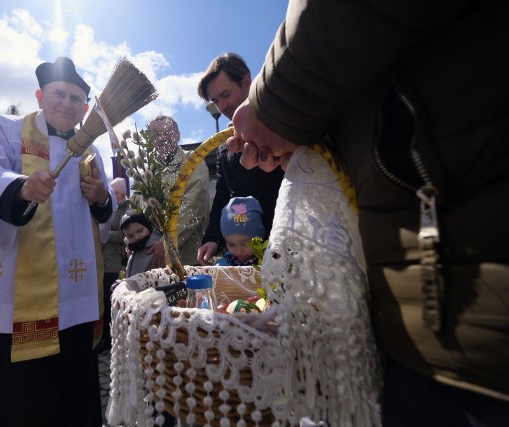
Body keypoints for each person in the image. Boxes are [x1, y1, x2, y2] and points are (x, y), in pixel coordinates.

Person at [227, 1, 509, 425]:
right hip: (416, 297)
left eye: (224, 95)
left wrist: (276, 100)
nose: (219, 106)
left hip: (463, 309)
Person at [0, 56, 114, 426]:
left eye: (75, 98)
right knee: (14, 399)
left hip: (73, 288)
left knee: (69, 391)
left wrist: (102, 197)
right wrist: (20, 187)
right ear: (40, 96)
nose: (67, 103)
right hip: (13, 291)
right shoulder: (7, 129)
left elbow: (106, 212)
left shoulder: (90, 150)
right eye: (59, 94)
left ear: (85, 107)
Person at [196, 53, 283, 266]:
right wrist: (213, 238)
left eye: (226, 95)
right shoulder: (225, 147)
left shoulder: (281, 128)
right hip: (243, 255)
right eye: (216, 101)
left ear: (246, 82)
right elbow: (223, 196)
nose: (222, 106)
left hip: (286, 247)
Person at [141, 115, 210, 267]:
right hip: (154, 261)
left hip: (188, 261)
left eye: (167, 132)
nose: (162, 138)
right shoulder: (149, 171)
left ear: (177, 135)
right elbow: (140, 209)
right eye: (156, 135)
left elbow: (192, 207)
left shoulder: (193, 161)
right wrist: (133, 241)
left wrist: (165, 245)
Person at [98, 177, 130, 351]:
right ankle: (104, 336)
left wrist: (102, 234)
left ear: (121, 193)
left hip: (112, 259)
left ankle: (110, 337)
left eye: (116, 192)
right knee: (102, 298)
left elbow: (123, 234)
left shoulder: (126, 209)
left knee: (107, 298)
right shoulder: (112, 207)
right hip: (102, 257)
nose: (114, 195)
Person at [215, 196, 264, 266]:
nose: (239, 251)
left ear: (259, 239)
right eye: (231, 245)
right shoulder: (224, 265)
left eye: (245, 244)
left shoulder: (270, 262)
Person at [120, 209, 163, 278]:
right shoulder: (133, 251)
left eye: (140, 231)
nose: (137, 237)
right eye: (130, 236)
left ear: (147, 226)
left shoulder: (158, 249)